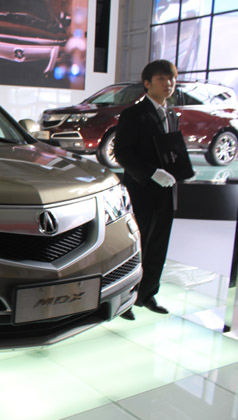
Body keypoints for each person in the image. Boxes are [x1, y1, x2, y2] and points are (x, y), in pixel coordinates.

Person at [113, 59, 180, 321]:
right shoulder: (134, 114)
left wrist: (181, 170)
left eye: (171, 79)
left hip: (167, 192)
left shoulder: (171, 114)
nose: (168, 84)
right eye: (162, 79)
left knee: (159, 244)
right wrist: (152, 173)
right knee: (137, 246)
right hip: (143, 190)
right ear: (147, 83)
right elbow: (123, 153)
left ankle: (148, 293)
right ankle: (126, 298)